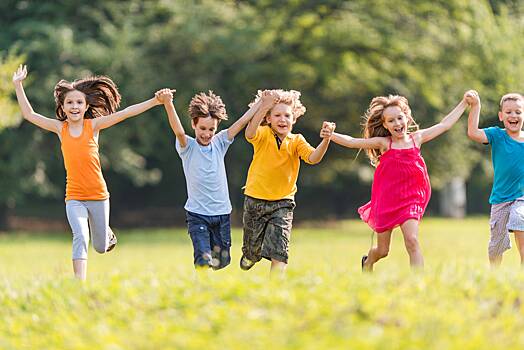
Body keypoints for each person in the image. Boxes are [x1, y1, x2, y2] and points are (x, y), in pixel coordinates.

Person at [12, 64, 167, 280]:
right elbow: (29, 115)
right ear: (63, 107)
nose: (74, 106)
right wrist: (18, 84)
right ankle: (79, 282)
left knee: (101, 247)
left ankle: (107, 233)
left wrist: (155, 101)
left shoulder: (93, 126)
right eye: (69, 103)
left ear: (85, 106)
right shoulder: (60, 128)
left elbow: (125, 113)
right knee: (80, 235)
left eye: (78, 102)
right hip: (74, 196)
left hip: (98, 195)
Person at [329, 91, 475, 271]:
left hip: (412, 198)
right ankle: (367, 262)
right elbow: (352, 142)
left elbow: (444, 124)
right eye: (391, 121)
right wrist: (331, 135)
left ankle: (418, 285)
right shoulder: (384, 143)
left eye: (400, 118)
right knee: (383, 250)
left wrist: (464, 103)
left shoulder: (417, 138)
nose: (397, 123)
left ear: (406, 117)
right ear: (385, 124)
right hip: (387, 199)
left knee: (412, 240)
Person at [158, 89, 265, 269]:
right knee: (203, 257)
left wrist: (260, 104)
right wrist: (168, 103)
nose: (207, 133)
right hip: (197, 214)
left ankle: (211, 273)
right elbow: (178, 131)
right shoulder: (188, 147)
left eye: (211, 129)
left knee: (223, 261)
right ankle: (202, 284)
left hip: (222, 213)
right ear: (194, 124)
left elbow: (239, 124)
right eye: (202, 128)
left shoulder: (219, 142)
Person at [240, 89, 335, 274]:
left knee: (280, 252)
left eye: (287, 115)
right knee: (252, 250)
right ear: (268, 119)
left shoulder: (297, 140)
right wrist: (265, 105)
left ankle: (276, 291)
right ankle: (250, 255)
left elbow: (313, 158)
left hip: (283, 203)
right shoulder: (263, 134)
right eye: (277, 115)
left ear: (294, 119)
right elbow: (249, 133)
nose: (282, 119)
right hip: (255, 200)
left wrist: (326, 140)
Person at [467, 92, 524, 266]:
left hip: (522, 198)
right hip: (500, 198)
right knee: (496, 247)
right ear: (501, 116)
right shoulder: (497, 135)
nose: (513, 115)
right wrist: (476, 106)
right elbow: (473, 133)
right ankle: (494, 277)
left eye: (518, 112)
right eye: (508, 112)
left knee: (519, 219)